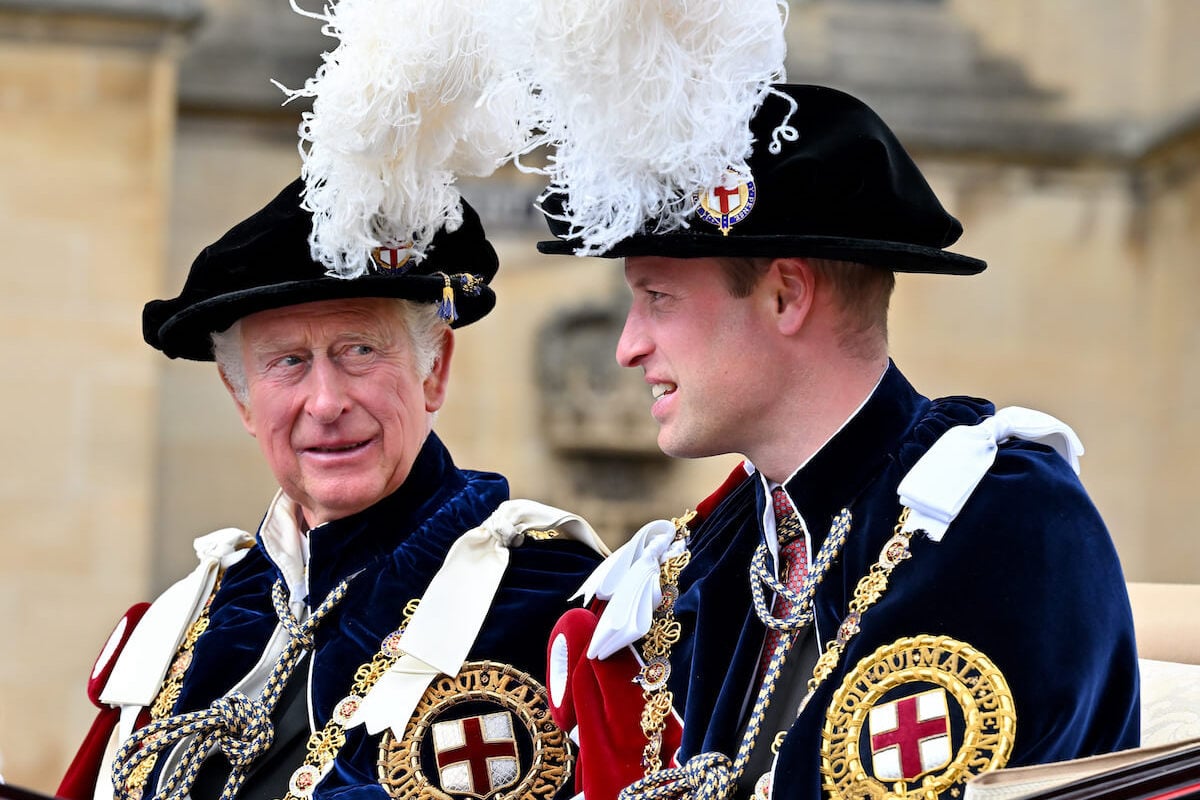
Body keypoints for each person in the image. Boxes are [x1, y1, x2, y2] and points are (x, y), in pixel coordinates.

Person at [538, 84, 1139, 800]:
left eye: (658, 298)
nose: (628, 346)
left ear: (786, 295)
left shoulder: (1000, 519)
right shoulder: (721, 552)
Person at [58, 178, 606, 800]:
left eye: (359, 350)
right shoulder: (187, 619)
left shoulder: (547, 595)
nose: (325, 402)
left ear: (434, 371)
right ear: (242, 399)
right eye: (287, 362)